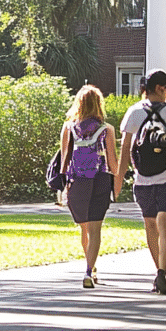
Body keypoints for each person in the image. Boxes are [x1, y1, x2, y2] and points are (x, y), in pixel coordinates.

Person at [114, 69, 166, 296]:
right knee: (165, 224)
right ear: (159, 89)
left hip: (142, 179)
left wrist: (118, 180)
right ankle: (162, 271)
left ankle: (158, 269)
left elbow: (125, 149)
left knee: (150, 224)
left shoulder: (133, 112)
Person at [60, 84, 120, 289]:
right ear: (98, 104)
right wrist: (119, 180)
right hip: (100, 179)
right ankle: (89, 270)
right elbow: (113, 164)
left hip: (77, 181)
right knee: (95, 229)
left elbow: (64, 161)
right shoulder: (106, 129)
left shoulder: (68, 128)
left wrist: (63, 187)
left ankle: (90, 266)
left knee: (84, 228)